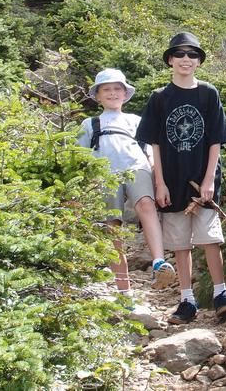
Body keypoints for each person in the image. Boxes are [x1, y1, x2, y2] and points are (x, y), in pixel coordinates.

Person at [136, 32, 226, 324]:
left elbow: (216, 139)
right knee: (180, 242)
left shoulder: (208, 93)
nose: (186, 59)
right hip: (172, 178)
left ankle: (221, 294)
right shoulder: (159, 98)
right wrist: (160, 182)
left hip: (201, 179)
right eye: (179, 54)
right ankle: (187, 300)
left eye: (192, 55)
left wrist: (209, 179)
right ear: (170, 59)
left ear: (199, 62)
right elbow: (153, 143)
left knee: (210, 238)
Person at [78, 68, 175, 299]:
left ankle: (159, 262)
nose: (112, 93)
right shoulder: (90, 124)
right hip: (104, 171)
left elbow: (151, 151)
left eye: (117, 89)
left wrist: (157, 177)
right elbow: (80, 155)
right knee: (112, 225)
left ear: (125, 94)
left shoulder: (136, 120)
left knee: (146, 206)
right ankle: (124, 289)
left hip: (135, 165)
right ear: (98, 95)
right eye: (107, 89)